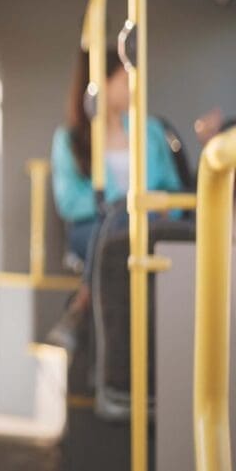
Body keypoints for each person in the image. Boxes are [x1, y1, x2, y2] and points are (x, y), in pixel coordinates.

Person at [46, 48, 183, 351]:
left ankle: (82, 304)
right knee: (118, 224)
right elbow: (69, 202)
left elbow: (172, 189)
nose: (132, 88)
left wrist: (148, 209)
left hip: (146, 222)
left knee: (126, 224)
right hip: (92, 228)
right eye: (124, 81)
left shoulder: (151, 132)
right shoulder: (69, 139)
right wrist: (123, 205)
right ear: (101, 85)